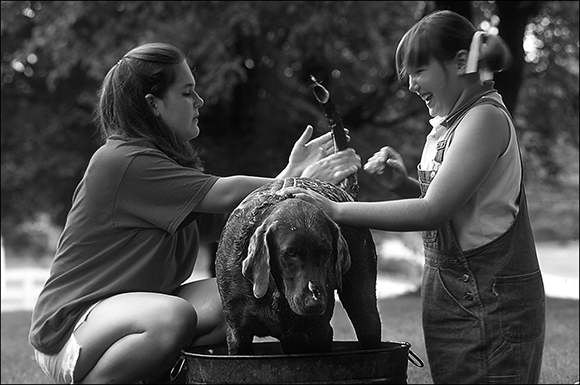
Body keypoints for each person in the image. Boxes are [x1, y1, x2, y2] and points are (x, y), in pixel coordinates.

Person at [28, 42, 361, 384]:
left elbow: (240, 217)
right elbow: (226, 193)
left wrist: (290, 177)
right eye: (187, 93)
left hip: (128, 314)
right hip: (74, 327)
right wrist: (297, 181)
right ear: (153, 104)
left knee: (239, 297)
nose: (199, 102)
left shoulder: (165, 165)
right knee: (172, 317)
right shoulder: (122, 162)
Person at [286, 10, 546, 384]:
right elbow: (458, 205)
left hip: (491, 300)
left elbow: (433, 211)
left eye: (419, 71)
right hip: (453, 293)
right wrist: (403, 184)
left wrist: (334, 210)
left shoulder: (483, 119)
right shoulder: (448, 125)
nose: (409, 84)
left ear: (460, 63)